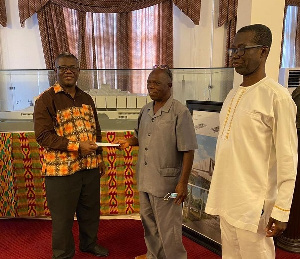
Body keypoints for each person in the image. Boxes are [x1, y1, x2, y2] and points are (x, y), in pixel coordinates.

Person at [205, 24, 298, 258]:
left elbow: (288, 158)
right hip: (227, 197)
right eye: (234, 49)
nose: (236, 55)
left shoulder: (277, 97)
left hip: (254, 203)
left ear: (264, 52)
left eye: (243, 49)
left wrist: (282, 210)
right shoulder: (233, 94)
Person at [34, 52, 109, 258]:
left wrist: (99, 156)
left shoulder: (86, 98)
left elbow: (96, 130)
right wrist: (76, 146)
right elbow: (43, 136)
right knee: (63, 217)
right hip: (61, 170)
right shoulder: (46, 100)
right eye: (63, 68)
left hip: (89, 166)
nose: (68, 71)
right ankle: (63, 254)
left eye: (72, 68)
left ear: (78, 71)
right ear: (55, 71)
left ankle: (89, 243)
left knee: (90, 211)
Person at [118, 66, 198, 259]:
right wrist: (130, 141)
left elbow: (188, 150)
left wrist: (182, 184)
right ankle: (154, 256)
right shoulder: (145, 110)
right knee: (149, 224)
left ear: (169, 85)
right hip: (146, 181)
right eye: (149, 83)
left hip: (168, 186)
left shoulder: (180, 112)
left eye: (156, 83)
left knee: (169, 228)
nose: (151, 87)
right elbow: (141, 137)